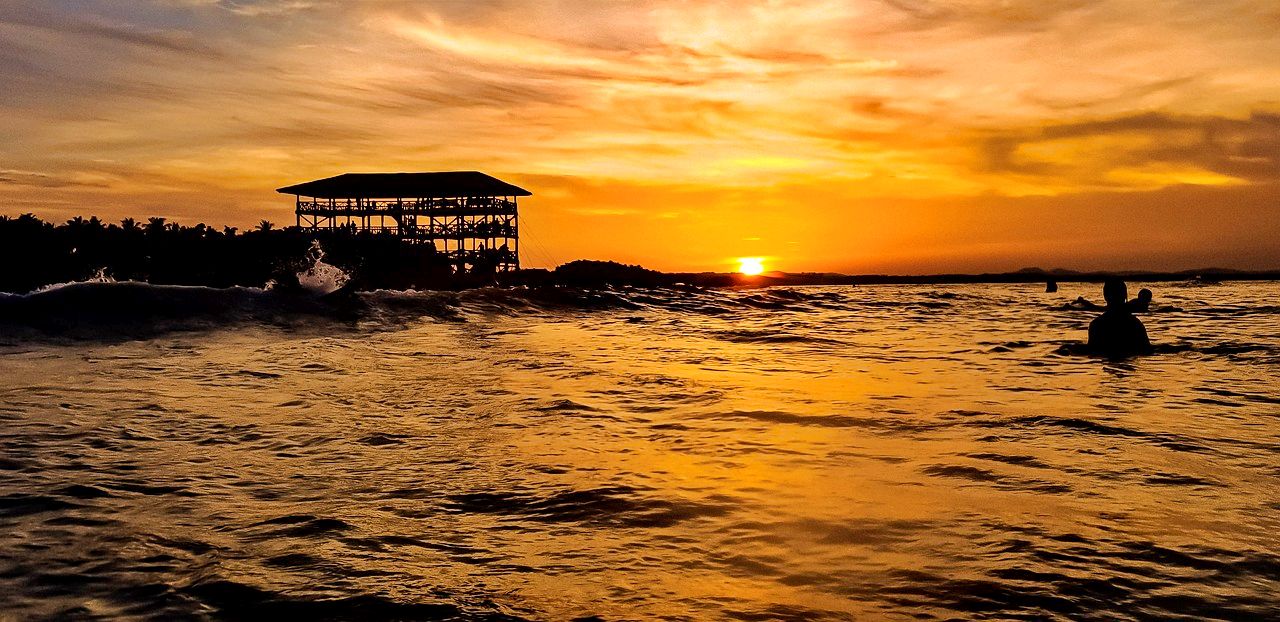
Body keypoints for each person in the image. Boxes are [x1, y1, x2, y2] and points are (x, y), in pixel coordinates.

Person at [1087, 278, 1152, 357]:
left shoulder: (1096, 324)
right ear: (1125, 296)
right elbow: (1147, 350)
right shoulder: (1135, 323)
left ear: (1105, 296)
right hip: (1128, 363)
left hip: (1108, 364)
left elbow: (1091, 351)